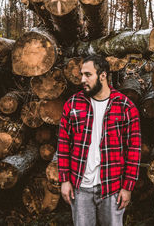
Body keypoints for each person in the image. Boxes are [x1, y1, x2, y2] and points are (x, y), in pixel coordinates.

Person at [57, 55, 141, 226]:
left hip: (112, 187)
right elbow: (63, 144)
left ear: (103, 75)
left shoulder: (125, 107)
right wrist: (65, 180)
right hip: (80, 187)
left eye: (88, 75)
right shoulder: (73, 104)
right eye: (82, 74)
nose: (82, 79)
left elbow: (134, 150)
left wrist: (127, 187)